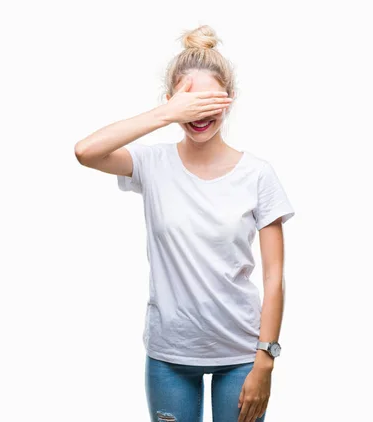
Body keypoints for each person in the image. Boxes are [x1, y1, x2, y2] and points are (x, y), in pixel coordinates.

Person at [74, 25, 295, 422]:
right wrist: (166, 114)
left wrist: (266, 359)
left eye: (210, 101)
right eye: (187, 102)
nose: (198, 114)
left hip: (241, 354)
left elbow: (274, 276)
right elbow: (86, 151)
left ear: (230, 101)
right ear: (171, 103)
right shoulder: (151, 165)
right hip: (170, 354)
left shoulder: (259, 175)